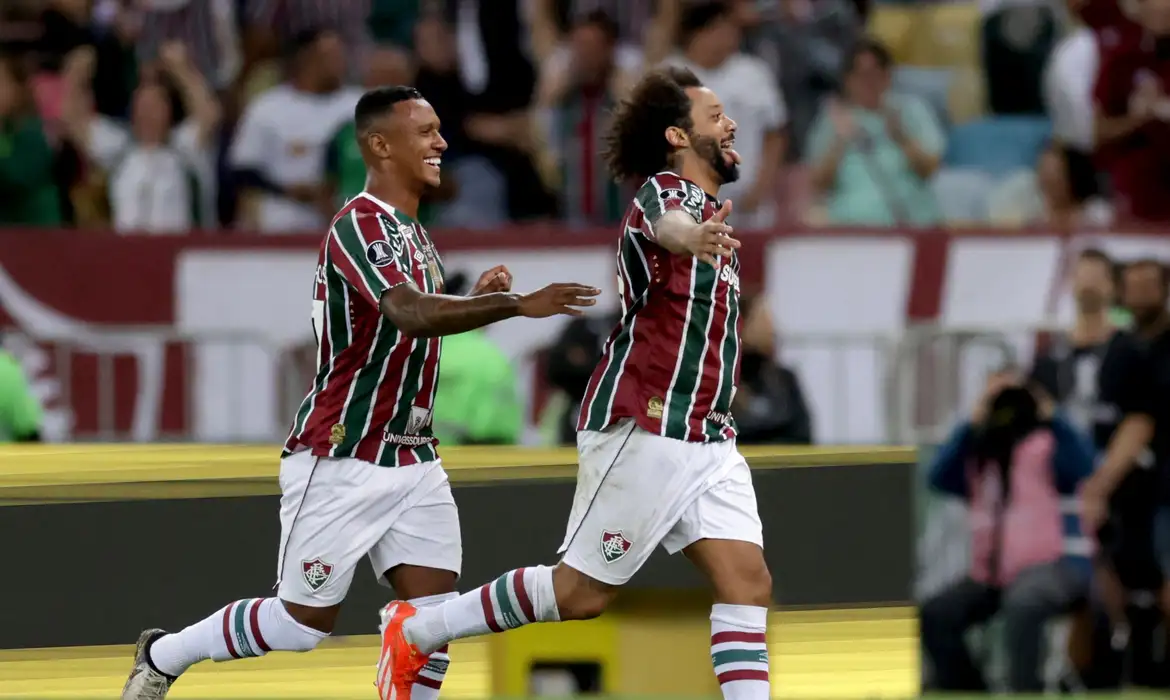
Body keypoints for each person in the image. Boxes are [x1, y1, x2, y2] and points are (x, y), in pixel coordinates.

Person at [120, 85, 601, 700]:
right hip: (344, 452)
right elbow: (408, 313)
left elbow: (413, 319)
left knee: (431, 622)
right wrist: (510, 304)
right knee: (299, 625)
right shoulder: (360, 224)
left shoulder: (413, 233)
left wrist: (475, 298)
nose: (441, 142)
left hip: (412, 455)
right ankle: (163, 655)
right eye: (425, 131)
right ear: (380, 145)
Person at [378, 66, 773, 700]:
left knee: (748, 583)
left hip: (708, 436)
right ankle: (420, 630)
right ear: (678, 136)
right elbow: (668, 227)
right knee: (579, 594)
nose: (730, 125)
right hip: (646, 424)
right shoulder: (665, 195)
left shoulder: (713, 219)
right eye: (716, 115)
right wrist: (692, 236)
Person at [920, 371, 1095, 692]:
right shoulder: (978, 453)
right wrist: (970, 423)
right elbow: (937, 476)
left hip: (1050, 568)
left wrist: (1051, 415)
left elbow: (1085, 465)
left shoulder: (1047, 446)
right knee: (935, 614)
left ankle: (1024, 692)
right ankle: (970, 691)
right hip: (991, 575)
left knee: (1023, 603)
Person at [1080, 259, 1170, 674]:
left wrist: (1099, 484)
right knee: (1119, 578)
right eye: (1132, 287)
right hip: (1133, 489)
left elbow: (1139, 422)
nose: (1139, 296)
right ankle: (1135, 666)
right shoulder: (1120, 349)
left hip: (1162, 486)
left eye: (1148, 286)